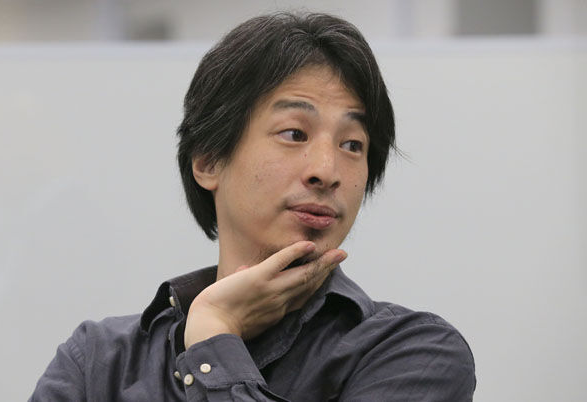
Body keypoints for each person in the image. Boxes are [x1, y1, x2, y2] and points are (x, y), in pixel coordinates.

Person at [30, 12, 476, 401]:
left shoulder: (412, 352)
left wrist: (213, 336)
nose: (327, 171)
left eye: (352, 144)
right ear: (208, 161)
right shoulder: (99, 362)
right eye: (294, 134)